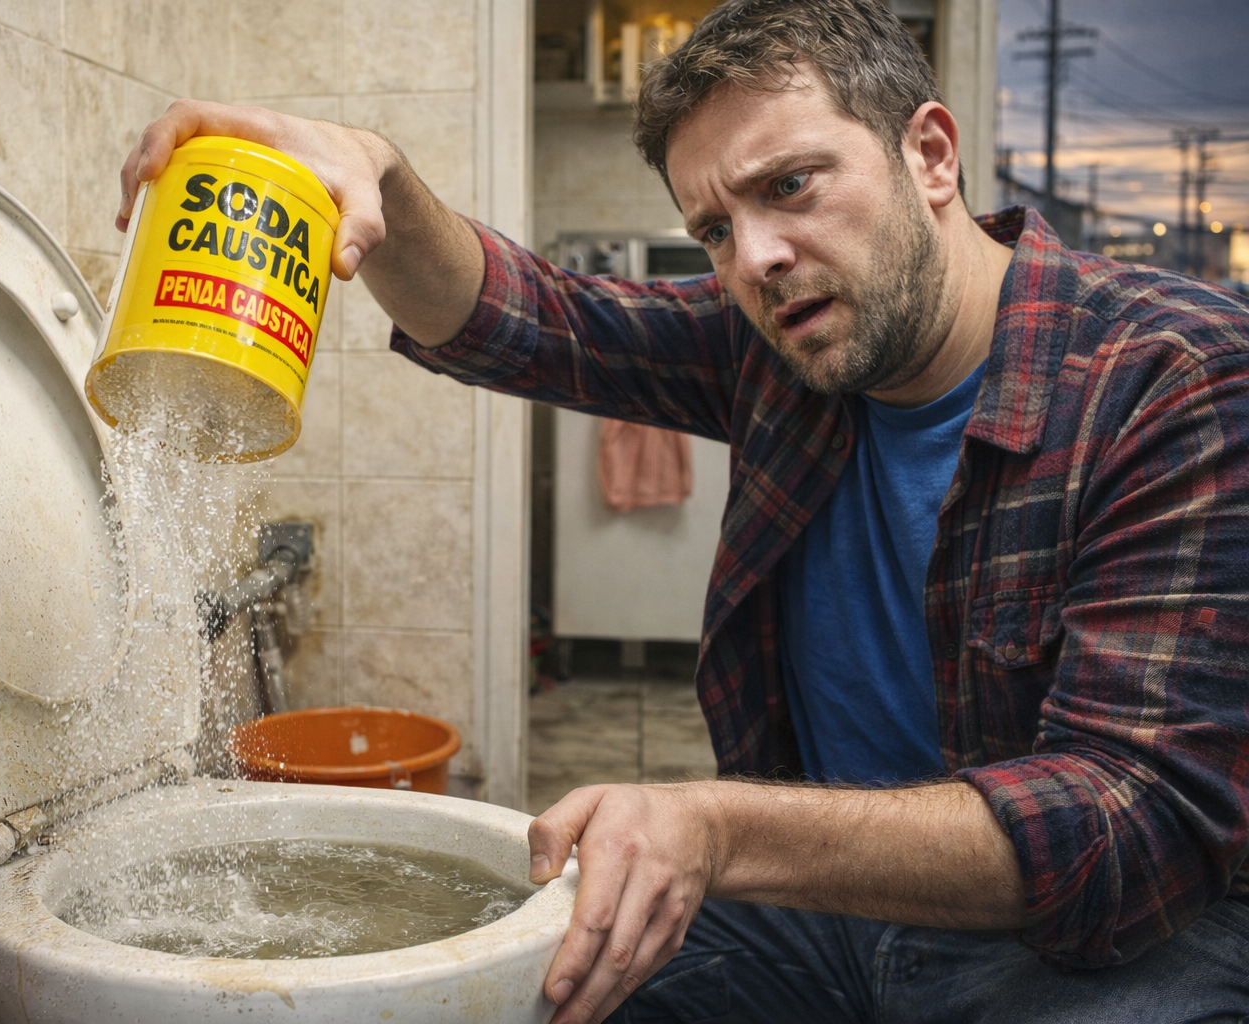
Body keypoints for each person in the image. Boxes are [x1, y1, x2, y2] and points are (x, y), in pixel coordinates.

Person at [118, 1, 1249, 1021]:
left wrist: (716, 827)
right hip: (820, 918)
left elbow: (1128, 819)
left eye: (791, 186)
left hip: (1093, 949)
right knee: (522, 985)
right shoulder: (780, 339)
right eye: (714, 227)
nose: (755, 258)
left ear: (932, 154)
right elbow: (529, 317)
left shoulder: (1171, 375)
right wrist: (377, 176)